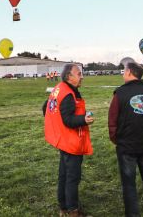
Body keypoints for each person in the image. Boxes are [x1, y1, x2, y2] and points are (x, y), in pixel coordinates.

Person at [108, 61, 143, 217]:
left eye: (124, 71)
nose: (123, 74)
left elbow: (112, 120)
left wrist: (116, 139)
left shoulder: (120, 94)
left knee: (129, 185)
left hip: (126, 147)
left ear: (130, 72)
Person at [43, 64, 94, 217]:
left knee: (64, 175)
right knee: (73, 178)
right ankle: (73, 211)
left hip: (62, 140)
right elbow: (68, 120)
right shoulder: (67, 94)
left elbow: (45, 107)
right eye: (79, 74)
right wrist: (84, 119)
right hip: (70, 142)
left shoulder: (59, 88)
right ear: (69, 77)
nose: (82, 76)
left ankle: (63, 207)